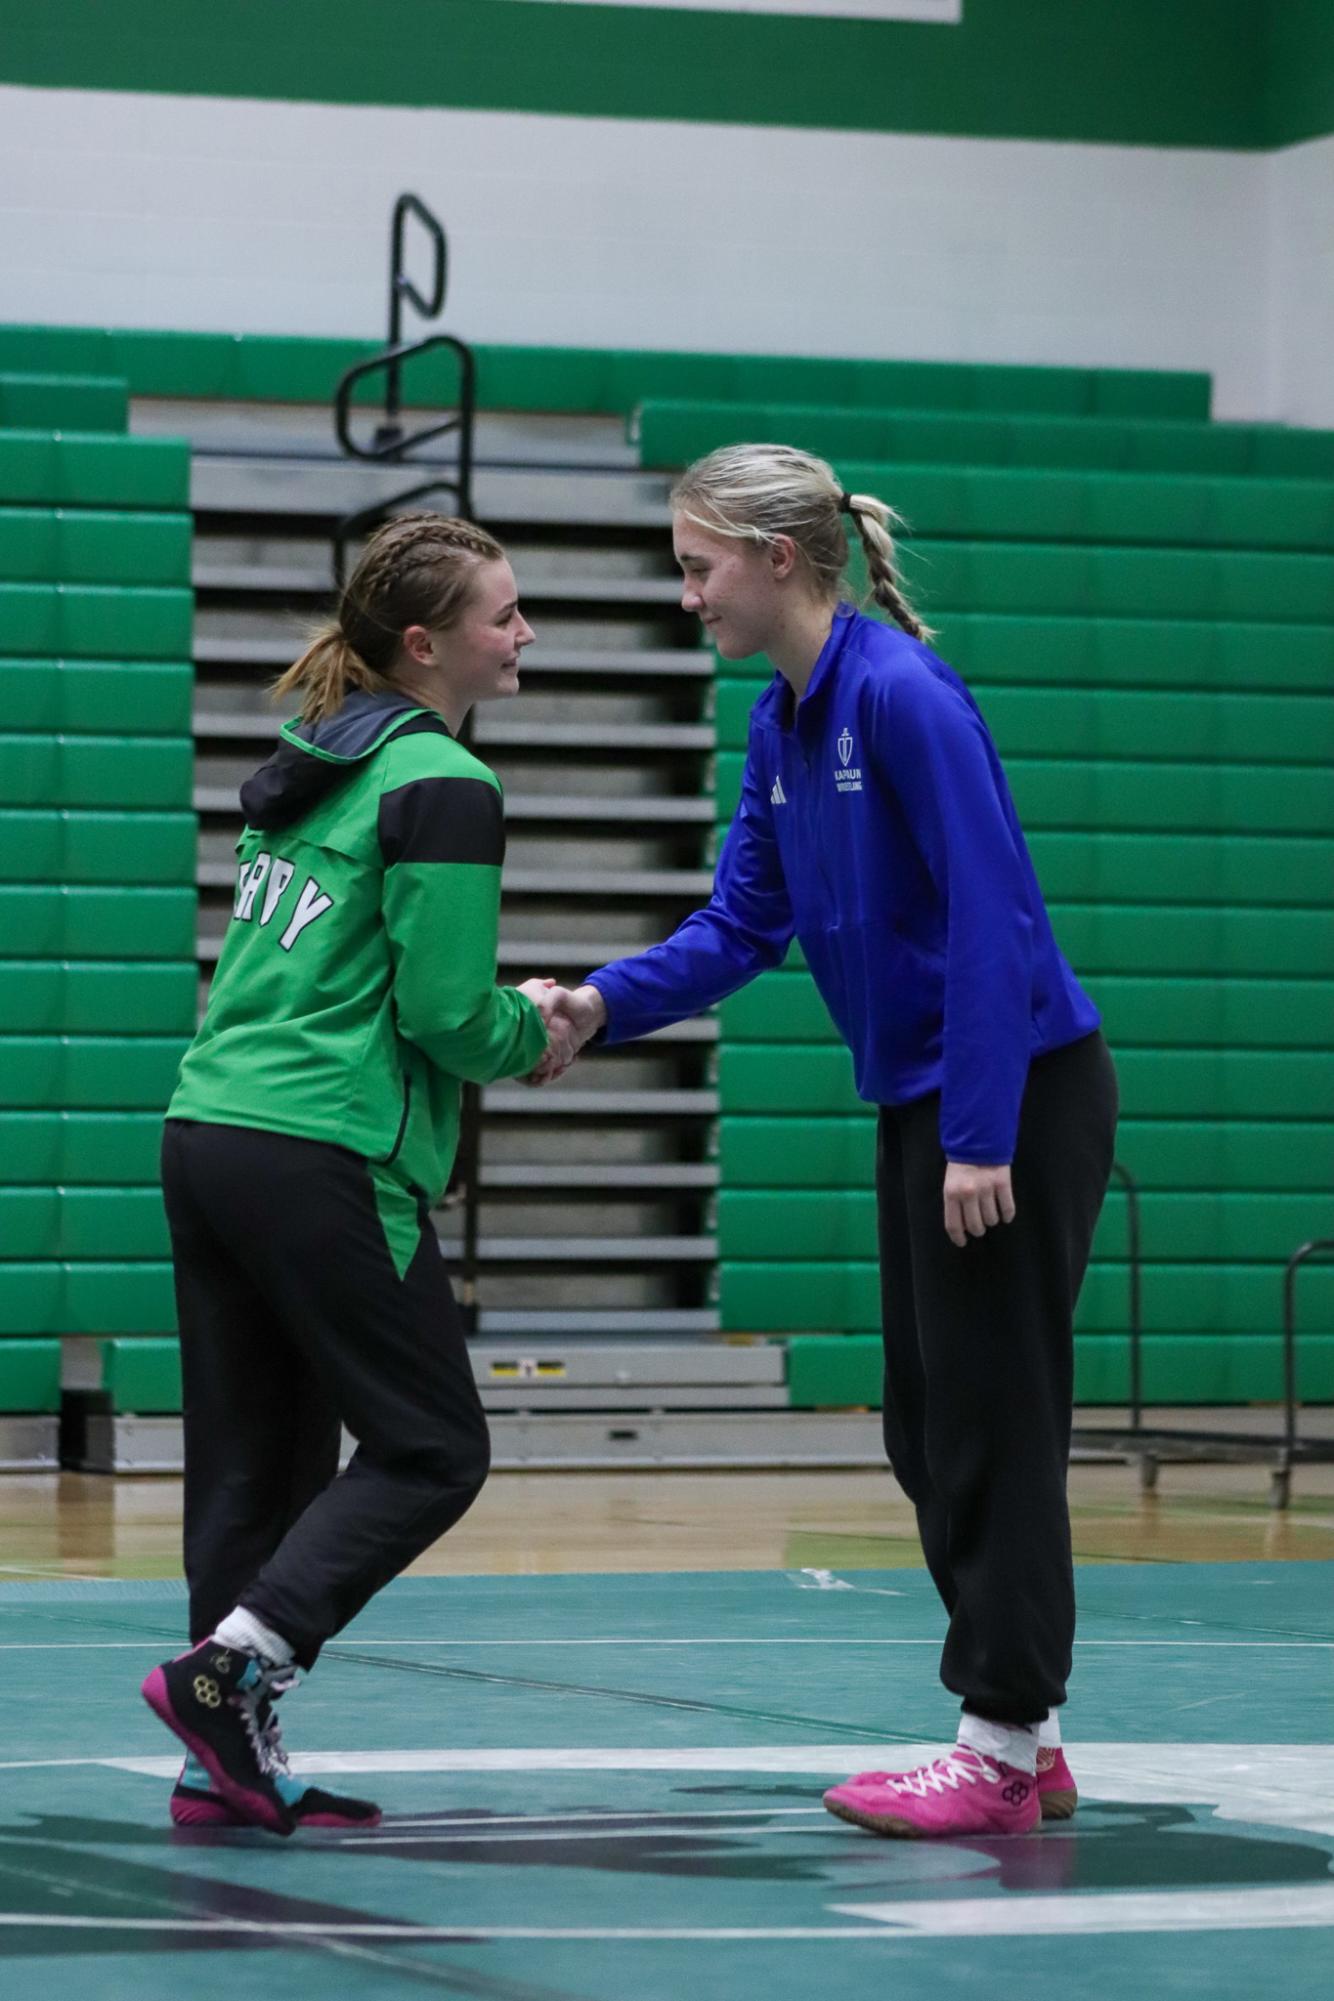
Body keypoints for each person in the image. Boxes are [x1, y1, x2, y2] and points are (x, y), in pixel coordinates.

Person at [536, 444, 1119, 1840]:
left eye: (695, 567)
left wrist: (976, 1133)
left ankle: (991, 1746)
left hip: (1008, 1099)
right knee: (930, 1426)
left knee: (989, 1421)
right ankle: (1022, 1735)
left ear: (776, 559)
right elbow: (742, 923)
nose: (686, 598)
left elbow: (997, 915)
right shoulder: (778, 724)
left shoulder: (904, 696)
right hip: (928, 1104)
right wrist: (599, 1004)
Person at [143, 513, 574, 1835]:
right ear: (426, 641)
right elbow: (446, 1011)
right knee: (433, 1442)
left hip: (209, 1131)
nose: (526, 633)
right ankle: (233, 1670)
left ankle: (217, 1761)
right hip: (321, 1149)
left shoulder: (318, 755)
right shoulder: (443, 779)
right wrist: (536, 1028)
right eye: (504, 614)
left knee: (253, 1465)